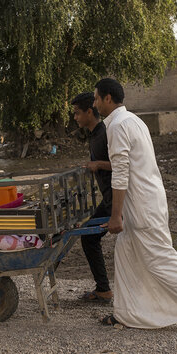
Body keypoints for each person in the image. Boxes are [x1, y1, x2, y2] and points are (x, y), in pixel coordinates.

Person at [92, 78, 177, 336]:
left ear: (108, 98)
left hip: (141, 208)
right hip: (146, 202)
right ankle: (126, 314)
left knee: (161, 260)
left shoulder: (117, 127)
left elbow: (120, 173)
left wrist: (115, 216)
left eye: (96, 98)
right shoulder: (133, 121)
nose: (94, 104)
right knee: (126, 256)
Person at [71, 92, 113, 303]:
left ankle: (104, 290)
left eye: (78, 113)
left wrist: (98, 165)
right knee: (88, 237)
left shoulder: (104, 133)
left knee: (89, 237)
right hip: (107, 199)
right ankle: (103, 289)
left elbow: (122, 164)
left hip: (115, 200)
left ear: (89, 111)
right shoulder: (94, 134)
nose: (75, 117)